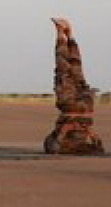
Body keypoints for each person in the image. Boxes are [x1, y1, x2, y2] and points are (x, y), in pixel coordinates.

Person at [44, 18, 104, 155]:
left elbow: (54, 147)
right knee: (65, 68)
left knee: (74, 68)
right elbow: (54, 147)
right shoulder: (79, 134)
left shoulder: (80, 133)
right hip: (74, 107)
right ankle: (64, 34)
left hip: (84, 105)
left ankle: (65, 34)